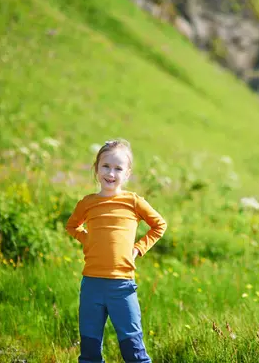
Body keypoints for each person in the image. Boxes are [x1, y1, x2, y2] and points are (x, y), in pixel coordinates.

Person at [66, 139, 167, 363]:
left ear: (127, 173)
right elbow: (72, 226)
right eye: (106, 166)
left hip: (122, 287)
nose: (111, 173)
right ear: (96, 168)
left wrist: (139, 248)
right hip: (91, 285)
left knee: (134, 350)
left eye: (118, 168)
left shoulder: (133, 201)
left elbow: (159, 225)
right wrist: (87, 240)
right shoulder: (87, 203)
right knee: (89, 352)